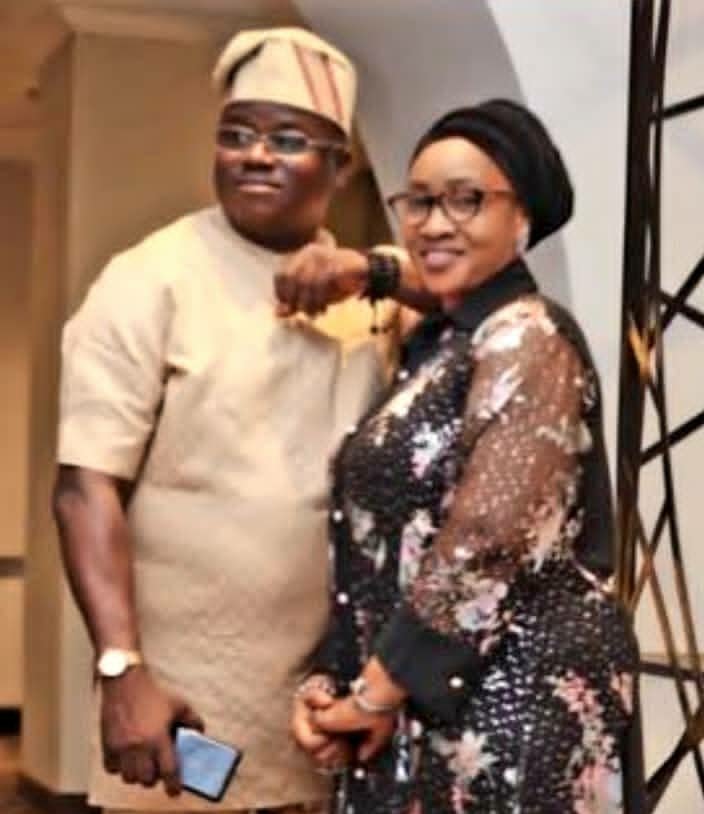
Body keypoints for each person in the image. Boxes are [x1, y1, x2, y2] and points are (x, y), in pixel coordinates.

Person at [53, 26, 425, 814]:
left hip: (321, 703)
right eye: (236, 134)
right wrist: (121, 668)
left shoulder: (369, 296)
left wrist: (374, 268)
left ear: (341, 166)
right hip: (182, 703)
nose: (255, 155)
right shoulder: (151, 280)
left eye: (287, 139)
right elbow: (85, 487)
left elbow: (494, 301)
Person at [291, 100, 643, 813]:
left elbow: (487, 539)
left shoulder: (528, 339)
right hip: (420, 707)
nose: (434, 222)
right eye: (419, 201)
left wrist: (374, 692)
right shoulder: (444, 344)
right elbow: (386, 548)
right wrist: (337, 681)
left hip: (513, 714)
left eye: (466, 200)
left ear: (523, 217)